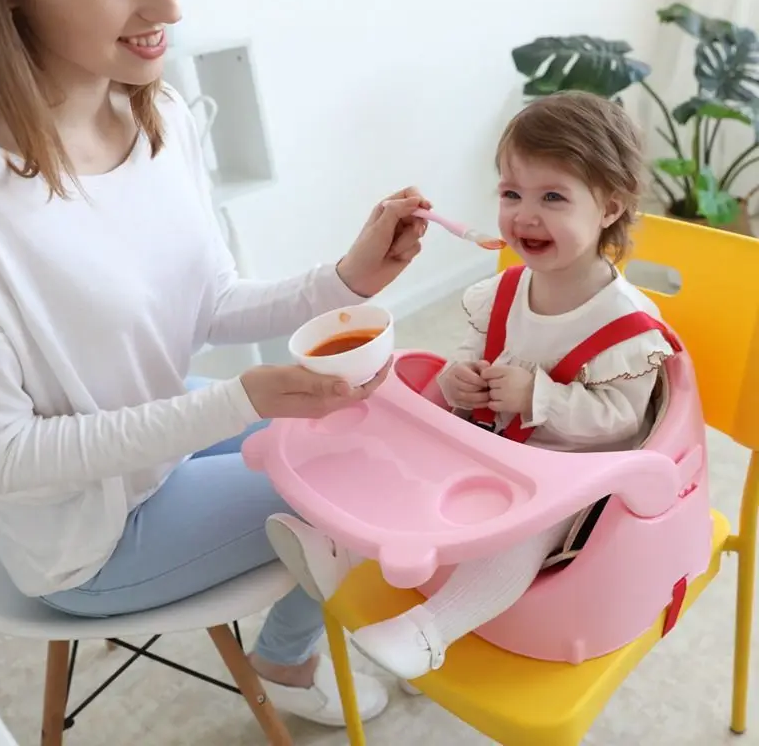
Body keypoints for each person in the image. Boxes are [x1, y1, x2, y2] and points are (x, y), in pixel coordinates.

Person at [0, 0, 431, 727]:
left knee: (374, 427)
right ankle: (288, 658)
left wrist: (344, 280)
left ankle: (327, 634)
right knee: (362, 484)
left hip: (157, 439)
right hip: (88, 534)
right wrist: (236, 403)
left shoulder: (160, 114)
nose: (169, 6)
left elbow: (204, 300)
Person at [266, 90, 680, 680]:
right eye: (512, 194)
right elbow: (474, 351)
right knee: (408, 462)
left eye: (553, 197)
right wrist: (459, 380)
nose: (524, 215)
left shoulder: (626, 327)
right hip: (490, 447)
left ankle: (432, 632)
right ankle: (343, 551)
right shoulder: (504, 291)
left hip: (567, 476)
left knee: (522, 537)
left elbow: (623, 421)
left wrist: (537, 397)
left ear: (610, 208)